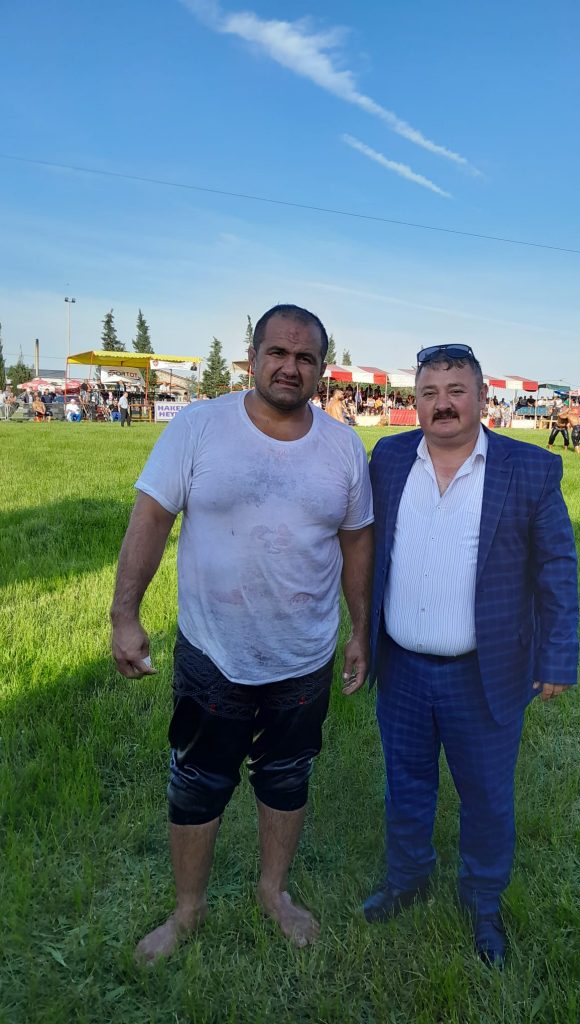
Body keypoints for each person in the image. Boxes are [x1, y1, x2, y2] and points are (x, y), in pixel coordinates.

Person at [111, 304, 373, 964]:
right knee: (198, 780)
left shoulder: (343, 447)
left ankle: (272, 892)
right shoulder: (199, 427)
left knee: (286, 776)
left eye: (305, 357)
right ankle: (188, 911)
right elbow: (151, 517)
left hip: (304, 655)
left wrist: (361, 629)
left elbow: (357, 542)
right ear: (252, 358)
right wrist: (124, 615)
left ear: (321, 368)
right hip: (213, 653)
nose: (290, 366)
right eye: (277, 352)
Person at [363, 344, 579, 966]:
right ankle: (407, 879)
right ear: (415, 403)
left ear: (483, 398)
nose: (443, 404)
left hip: (485, 672)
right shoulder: (389, 458)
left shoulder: (528, 468)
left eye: (456, 391)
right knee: (406, 786)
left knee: (486, 796)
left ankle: (483, 902)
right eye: (429, 393)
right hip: (402, 666)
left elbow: (557, 568)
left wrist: (557, 656)